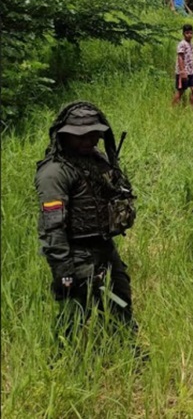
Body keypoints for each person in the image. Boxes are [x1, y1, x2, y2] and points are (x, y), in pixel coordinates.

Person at [35, 102, 139, 340]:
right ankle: (60, 362)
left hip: (104, 247)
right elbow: (53, 226)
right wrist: (63, 269)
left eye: (94, 134)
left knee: (120, 300)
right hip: (77, 253)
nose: (88, 140)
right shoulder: (55, 172)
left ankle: (126, 349)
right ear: (65, 136)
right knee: (74, 312)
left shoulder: (97, 159)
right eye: (80, 136)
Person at [172, 24, 193, 107]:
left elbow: (192, 57)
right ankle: (172, 109)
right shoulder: (182, 44)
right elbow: (180, 57)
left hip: (191, 71)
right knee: (181, 91)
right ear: (183, 33)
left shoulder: (191, 44)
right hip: (183, 72)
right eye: (187, 33)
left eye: (191, 33)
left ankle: (192, 108)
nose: (189, 35)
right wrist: (182, 71)